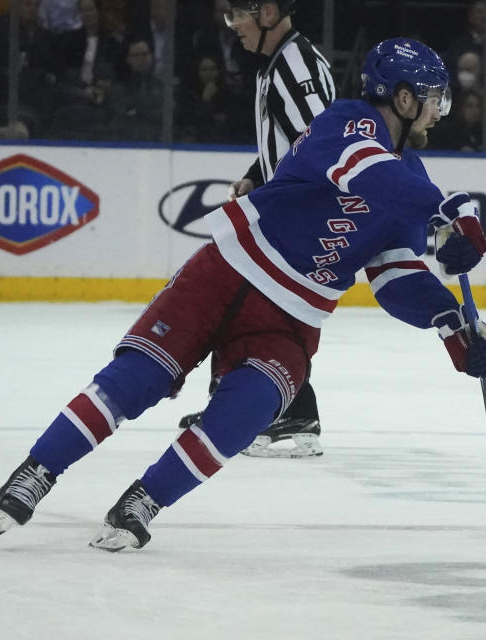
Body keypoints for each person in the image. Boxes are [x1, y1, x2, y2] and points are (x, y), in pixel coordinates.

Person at [0, 37, 486, 552]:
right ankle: (38, 470)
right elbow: (369, 176)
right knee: (137, 378)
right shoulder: (348, 124)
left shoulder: (412, 178)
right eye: (436, 98)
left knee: (245, 413)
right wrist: (446, 209)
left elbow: (395, 279)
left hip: (291, 319)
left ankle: (145, 501)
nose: (441, 112)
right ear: (406, 99)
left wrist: (453, 321)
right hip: (227, 273)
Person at [178, 0, 336, 459]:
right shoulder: (279, 61)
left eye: (238, 16)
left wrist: (284, 201)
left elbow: (324, 145)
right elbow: (292, 139)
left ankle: (292, 417)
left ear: (268, 12)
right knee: (243, 306)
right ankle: (243, 406)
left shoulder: (295, 64)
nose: (234, 27)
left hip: (301, 214)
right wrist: (256, 174)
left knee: (263, 311)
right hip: (288, 208)